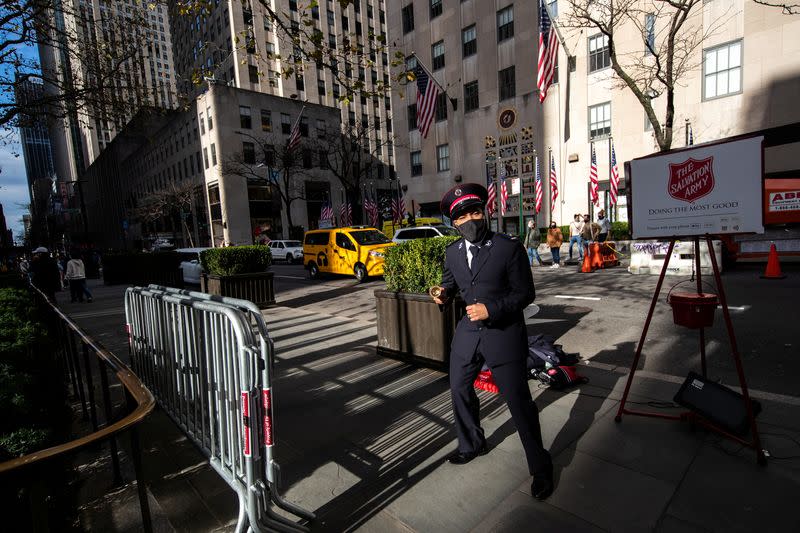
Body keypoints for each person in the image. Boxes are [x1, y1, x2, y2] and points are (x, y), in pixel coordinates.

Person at [429, 182, 554, 501]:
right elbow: (450, 286)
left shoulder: (508, 247)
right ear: (454, 223)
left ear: (483, 213)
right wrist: (442, 296)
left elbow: (526, 294)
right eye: (463, 216)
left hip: (504, 335)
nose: (471, 220)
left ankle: (540, 467)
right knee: (458, 388)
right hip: (468, 336)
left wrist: (492, 309)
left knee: (520, 403)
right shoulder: (452, 252)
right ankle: (472, 443)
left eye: (475, 212)